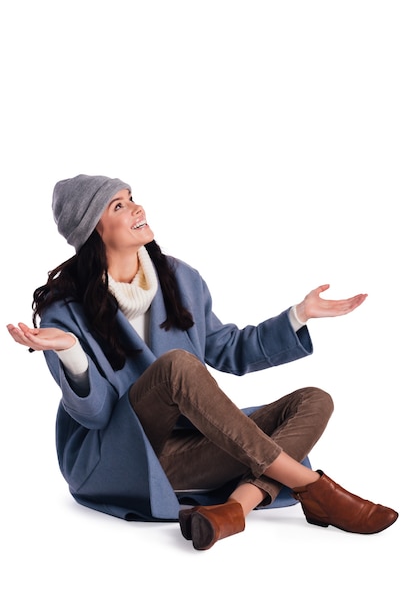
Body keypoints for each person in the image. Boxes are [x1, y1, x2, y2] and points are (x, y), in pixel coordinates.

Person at [7, 174, 398, 551]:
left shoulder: (180, 278)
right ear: (95, 230)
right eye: (119, 205)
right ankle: (314, 488)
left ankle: (234, 509)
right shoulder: (66, 309)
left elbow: (228, 349)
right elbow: (94, 417)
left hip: (188, 452)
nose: (137, 207)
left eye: (132, 196)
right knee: (176, 365)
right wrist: (71, 352)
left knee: (314, 400)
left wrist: (297, 316)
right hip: (119, 456)